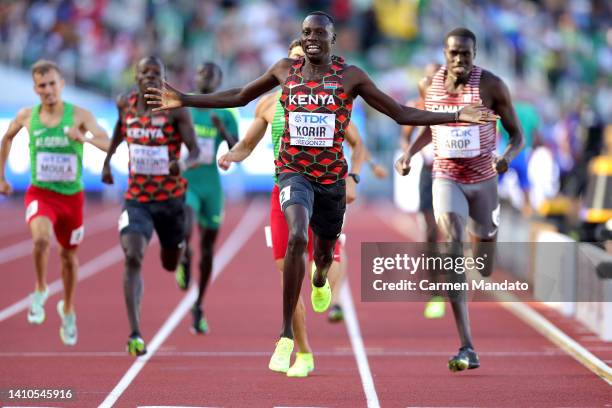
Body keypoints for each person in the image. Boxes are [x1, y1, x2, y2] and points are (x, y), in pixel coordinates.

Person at [145, 12, 497, 372]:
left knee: (324, 254)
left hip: (330, 181)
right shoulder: (284, 70)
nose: (312, 38)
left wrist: (455, 117)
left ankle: (319, 278)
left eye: (319, 33)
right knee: (297, 235)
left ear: (332, 39)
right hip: (292, 173)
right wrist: (184, 99)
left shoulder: (350, 77)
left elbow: (400, 113)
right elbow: (239, 96)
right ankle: (285, 336)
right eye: (306, 32)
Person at [217, 39, 367, 377]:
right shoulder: (270, 104)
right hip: (286, 190)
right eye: (295, 59)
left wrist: (353, 178)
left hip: (326, 188)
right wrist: (231, 156)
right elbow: (247, 145)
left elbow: (358, 144)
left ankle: (322, 276)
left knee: (322, 259)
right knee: (288, 273)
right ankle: (303, 351)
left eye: (307, 59)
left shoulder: (330, 99)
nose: (302, 65)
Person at [396, 28, 524, 372]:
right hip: (446, 176)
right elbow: (430, 125)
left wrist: (507, 158)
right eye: (453, 54)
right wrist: (409, 153)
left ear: (475, 54)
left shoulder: (491, 86)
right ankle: (467, 345)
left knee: (483, 259)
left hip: (483, 180)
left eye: (465, 55)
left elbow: (517, 135)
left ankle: (487, 238)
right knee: (452, 246)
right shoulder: (430, 85)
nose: (459, 61)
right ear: (444, 53)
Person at [0, 60, 110, 346]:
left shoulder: (79, 115)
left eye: (52, 84)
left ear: (61, 84)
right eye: (41, 85)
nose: (47, 90)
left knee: (69, 259)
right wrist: (0, 176)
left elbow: (109, 142)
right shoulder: (27, 116)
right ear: (35, 88)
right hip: (41, 194)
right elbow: (7, 138)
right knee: (40, 240)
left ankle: (69, 310)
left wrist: (83, 137)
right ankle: (39, 288)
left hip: (72, 199)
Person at [102, 56, 200, 356]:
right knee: (133, 256)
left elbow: (195, 150)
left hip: (170, 201)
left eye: (156, 73)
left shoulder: (174, 107)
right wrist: (107, 160)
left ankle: (183, 255)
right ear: (136, 75)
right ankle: (134, 333)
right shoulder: (125, 102)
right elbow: (121, 128)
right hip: (137, 199)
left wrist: (180, 163)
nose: (150, 77)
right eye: (145, 72)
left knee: (169, 262)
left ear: (163, 76)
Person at [175, 62, 239, 335]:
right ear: (196, 76)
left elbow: (237, 148)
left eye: (211, 77)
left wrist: (222, 130)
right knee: (186, 229)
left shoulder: (224, 113)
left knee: (209, 249)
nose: (205, 79)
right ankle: (184, 256)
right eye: (201, 73)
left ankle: (198, 305)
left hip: (211, 186)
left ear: (218, 83)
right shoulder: (183, 108)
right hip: (188, 180)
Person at [400, 63, 445, 319]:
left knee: (450, 230)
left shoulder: (451, 104)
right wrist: (407, 155)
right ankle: (435, 287)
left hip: (450, 171)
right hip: (428, 172)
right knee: (430, 230)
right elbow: (405, 136)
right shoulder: (416, 106)